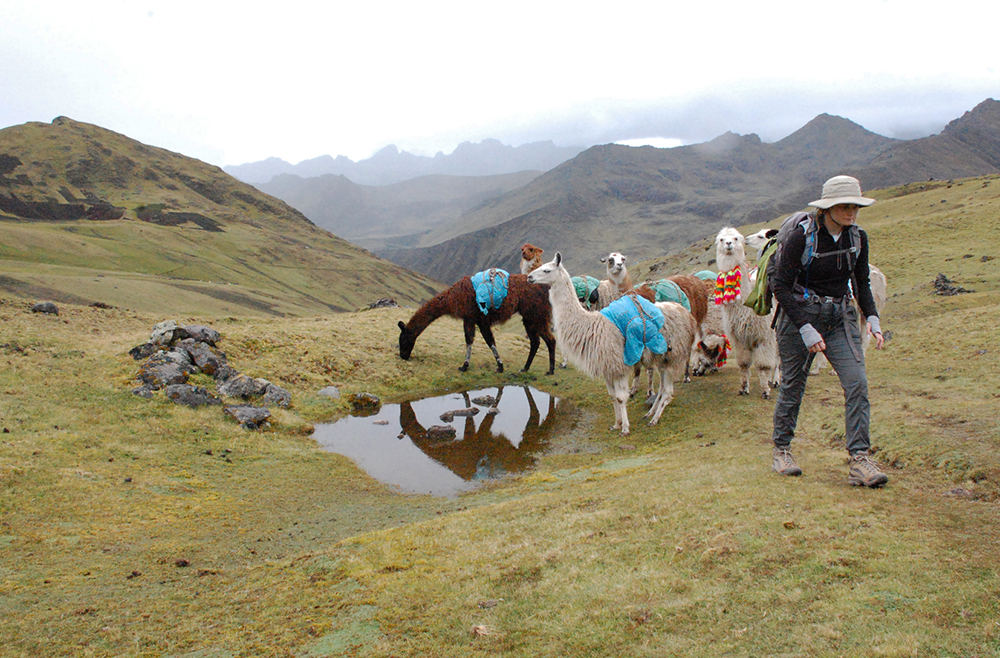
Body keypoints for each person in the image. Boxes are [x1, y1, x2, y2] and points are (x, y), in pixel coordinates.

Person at [770, 175, 888, 487]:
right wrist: (805, 327)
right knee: (793, 385)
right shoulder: (801, 238)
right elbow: (780, 285)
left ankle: (860, 459)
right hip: (799, 317)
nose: (851, 212)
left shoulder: (857, 238)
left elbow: (861, 282)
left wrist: (872, 318)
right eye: (844, 206)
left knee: (857, 383)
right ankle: (782, 450)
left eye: (855, 206)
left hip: (841, 316)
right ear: (828, 208)